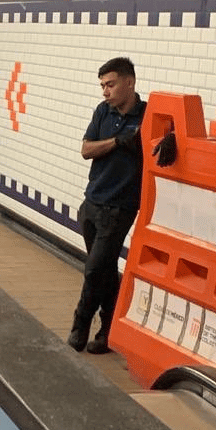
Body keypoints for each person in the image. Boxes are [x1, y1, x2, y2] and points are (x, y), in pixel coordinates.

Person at [67, 56, 147, 355]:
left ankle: (80, 326)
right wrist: (118, 141)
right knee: (104, 270)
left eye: (110, 84)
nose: (105, 91)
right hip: (92, 203)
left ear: (130, 82)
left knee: (94, 270)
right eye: (102, 85)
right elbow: (86, 149)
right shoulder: (103, 111)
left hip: (120, 207)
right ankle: (109, 331)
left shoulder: (148, 116)